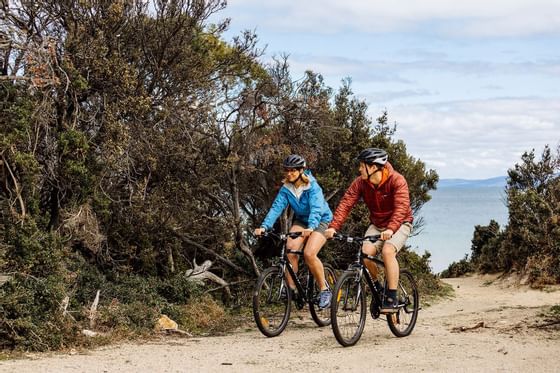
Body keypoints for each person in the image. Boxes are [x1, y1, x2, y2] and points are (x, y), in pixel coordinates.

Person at [324, 148, 413, 313]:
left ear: (373, 167)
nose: (359, 169)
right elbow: (346, 203)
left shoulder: (397, 180)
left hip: (400, 223)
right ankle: (378, 287)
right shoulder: (360, 182)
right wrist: (333, 226)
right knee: (365, 254)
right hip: (378, 224)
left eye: (362, 165)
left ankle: (391, 297)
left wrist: (391, 229)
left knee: (387, 252)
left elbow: (401, 208)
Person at [254, 154, 334, 309]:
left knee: (309, 253)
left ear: (301, 171)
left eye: (293, 171)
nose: (289, 174)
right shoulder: (287, 188)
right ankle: (292, 289)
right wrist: (264, 227)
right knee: (290, 250)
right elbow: (276, 208)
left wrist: (311, 227)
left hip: (321, 220)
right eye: (287, 170)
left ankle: (325, 290)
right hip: (302, 221)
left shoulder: (312, 186)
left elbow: (317, 208)